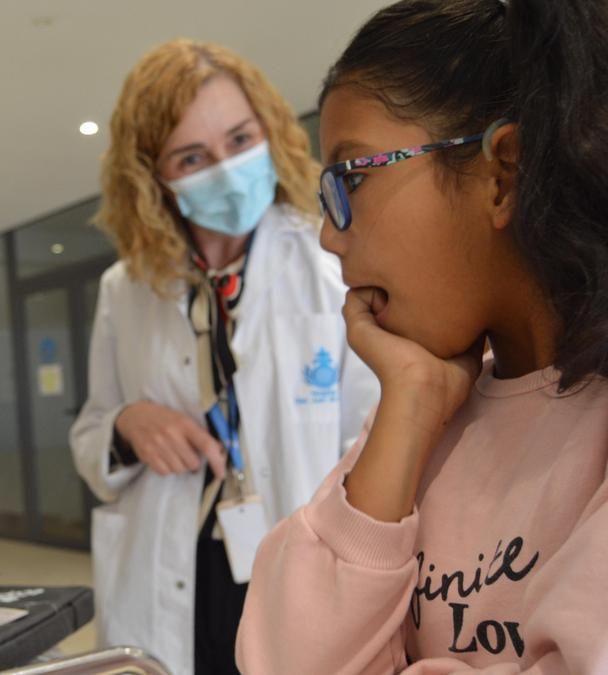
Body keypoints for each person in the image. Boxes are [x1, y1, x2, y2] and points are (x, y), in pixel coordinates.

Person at [236, 0, 608, 672]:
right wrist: (408, 406)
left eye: (351, 177)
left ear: (503, 173)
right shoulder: (422, 411)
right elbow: (284, 658)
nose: (328, 232)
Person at [69, 39, 379, 675]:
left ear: (268, 129)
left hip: (299, 560)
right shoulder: (125, 289)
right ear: (153, 175)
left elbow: (375, 436)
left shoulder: (331, 265)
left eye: (240, 141)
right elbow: (91, 432)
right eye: (192, 156)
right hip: (176, 571)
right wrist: (126, 424)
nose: (226, 167)